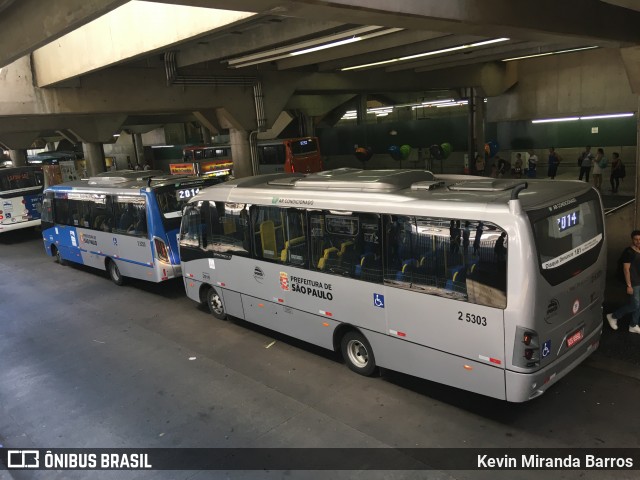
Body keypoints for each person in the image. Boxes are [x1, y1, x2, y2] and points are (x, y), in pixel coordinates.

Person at [606, 230, 640, 334]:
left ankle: (633, 325)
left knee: (639, 304)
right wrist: (629, 285)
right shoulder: (628, 252)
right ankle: (613, 316)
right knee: (635, 305)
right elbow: (626, 270)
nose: (638, 241)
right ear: (632, 240)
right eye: (636, 239)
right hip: (634, 283)